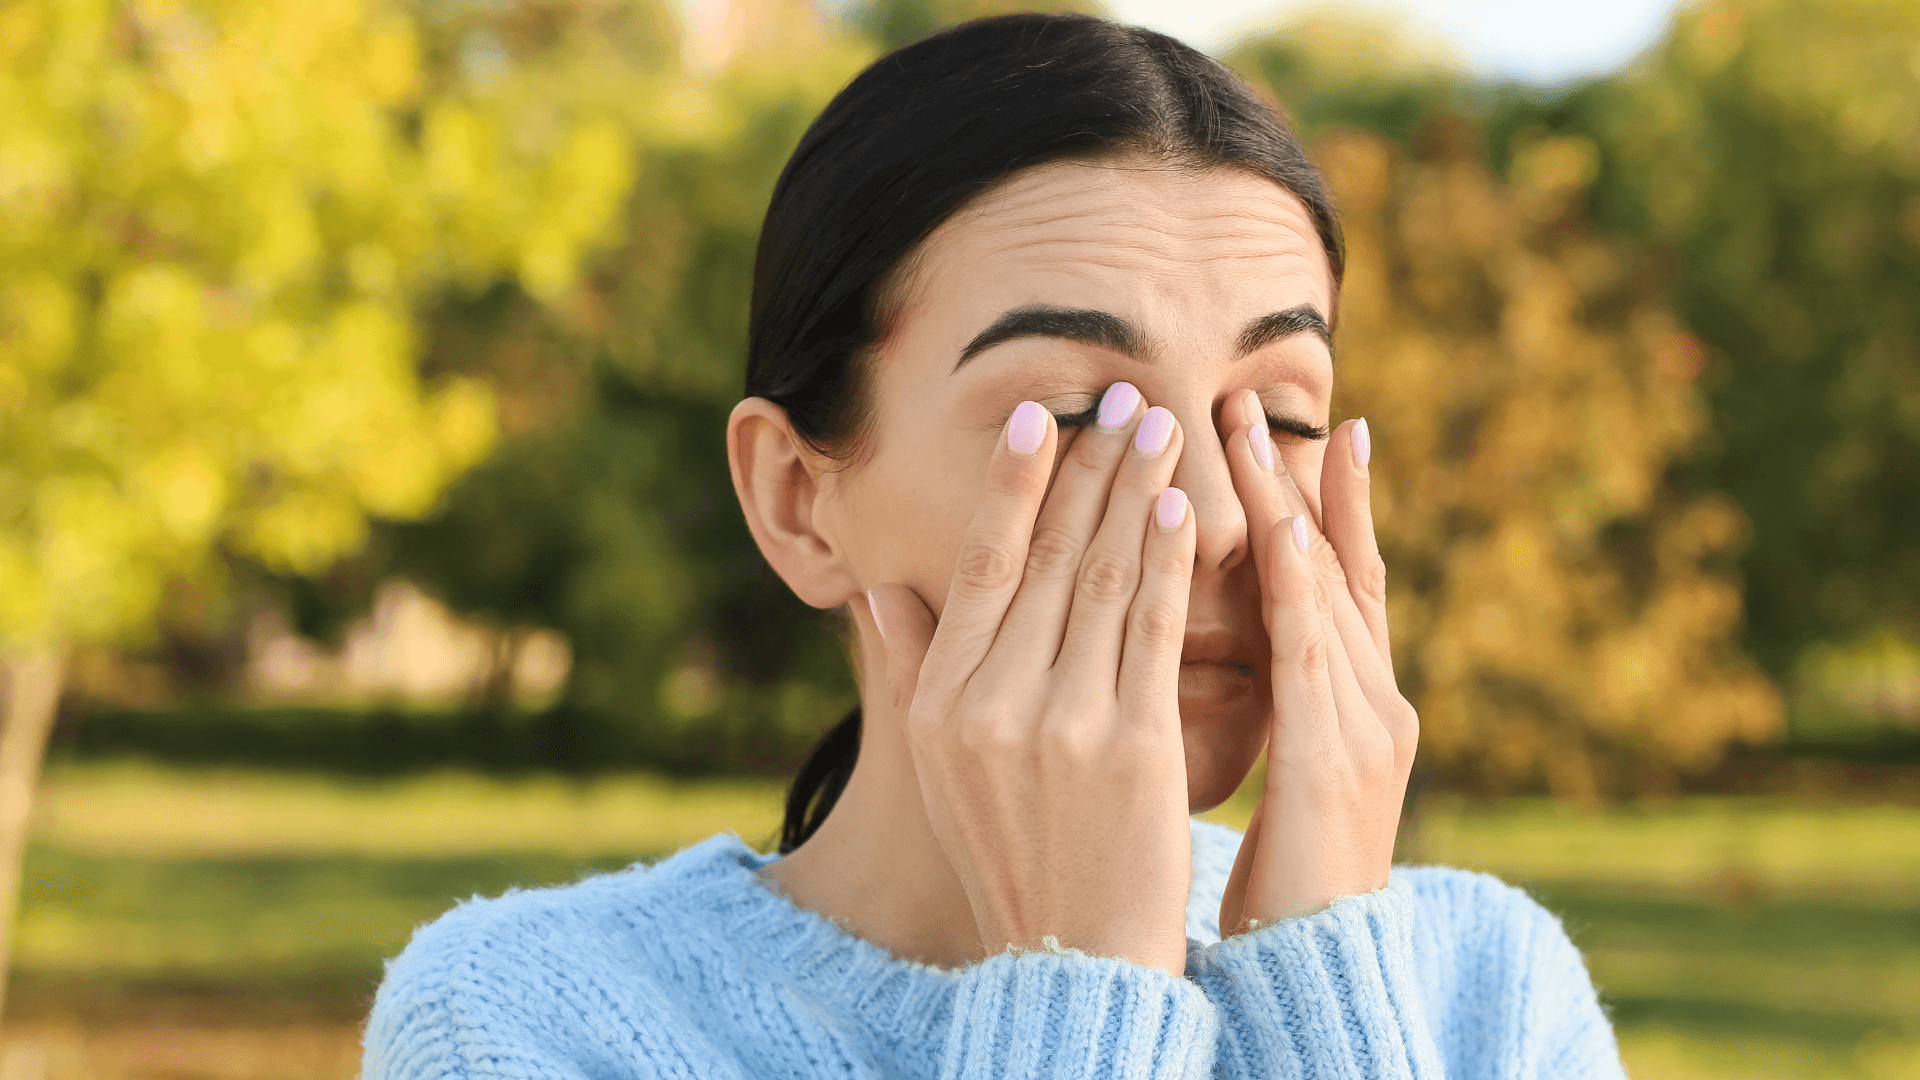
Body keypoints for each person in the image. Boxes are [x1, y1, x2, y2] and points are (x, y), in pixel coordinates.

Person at [363, 13, 1627, 1079]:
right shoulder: (526, 1019)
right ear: (798, 501)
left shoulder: (1485, 1000)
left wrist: (1329, 988)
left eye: (1278, 418)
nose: (1224, 517)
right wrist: (1082, 992)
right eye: (1082, 416)